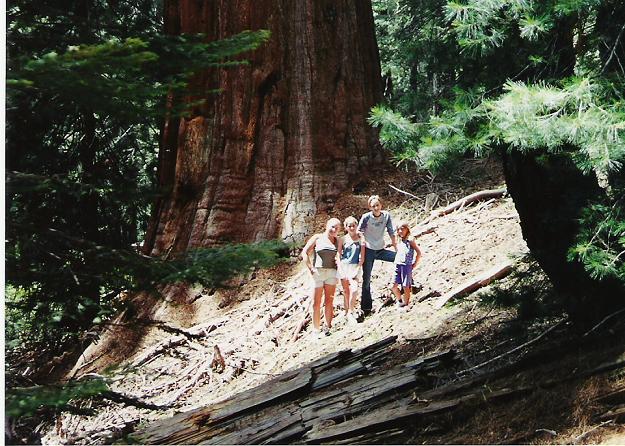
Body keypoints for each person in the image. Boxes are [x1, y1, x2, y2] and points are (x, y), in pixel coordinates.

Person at [301, 218, 343, 336]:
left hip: (331, 273)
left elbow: (339, 256)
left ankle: (327, 327)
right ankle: (316, 329)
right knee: (316, 302)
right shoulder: (317, 237)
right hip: (318, 273)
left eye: (337, 228)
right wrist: (310, 267)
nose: (334, 230)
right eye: (332, 227)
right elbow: (304, 252)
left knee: (329, 300)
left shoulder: (338, 241)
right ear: (327, 225)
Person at [357, 195, 397, 316]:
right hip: (369, 250)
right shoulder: (366, 217)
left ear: (381, 205)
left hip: (380, 249)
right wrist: (363, 243)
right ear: (370, 207)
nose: (376, 208)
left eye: (377, 205)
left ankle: (408, 285)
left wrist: (396, 248)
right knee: (367, 279)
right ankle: (366, 307)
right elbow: (359, 231)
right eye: (373, 206)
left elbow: (391, 231)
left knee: (400, 259)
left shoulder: (386, 216)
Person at [338, 216, 365, 320]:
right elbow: (338, 254)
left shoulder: (360, 239)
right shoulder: (343, 239)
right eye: (349, 226)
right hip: (344, 266)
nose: (352, 228)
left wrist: (358, 268)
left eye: (354, 226)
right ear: (346, 227)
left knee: (354, 289)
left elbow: (362, 257)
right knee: (346, 291)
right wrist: (340, 268)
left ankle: (351, 310)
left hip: (355, 266)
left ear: (356, 226)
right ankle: (346, 313)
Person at [391, 221, 421, 308]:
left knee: (405, 285)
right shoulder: (400, 241)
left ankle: (406, 304)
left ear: (407, 229)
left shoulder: (410, 240)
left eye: (402, 229)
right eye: (398, 229)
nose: (400, 231)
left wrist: (414, 263)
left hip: (406, 265)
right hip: (398, 264)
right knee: (393, 286)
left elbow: (418, 252)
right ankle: (400, 301)